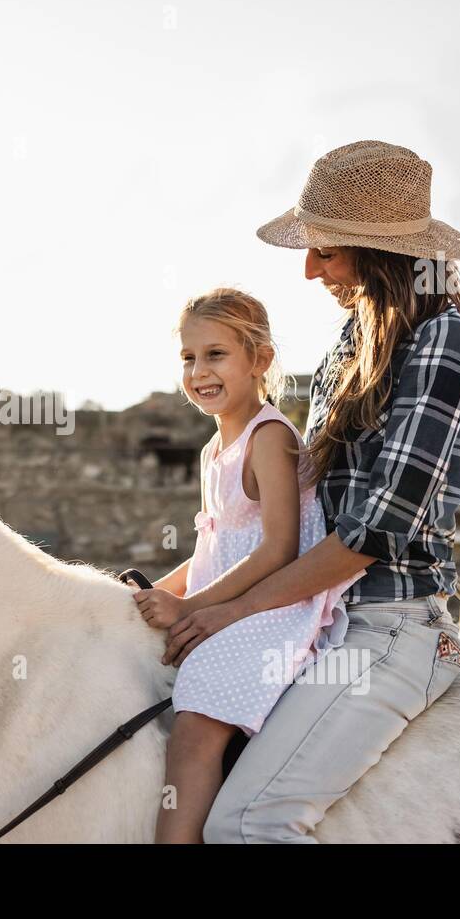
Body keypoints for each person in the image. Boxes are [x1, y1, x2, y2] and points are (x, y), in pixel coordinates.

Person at [162, 140, 460, 842]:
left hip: (389, 622)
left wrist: (233, 611)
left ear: (383, 254)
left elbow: (374, 531)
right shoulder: (349, 343)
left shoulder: (446, 341)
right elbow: (289, 522)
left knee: (248, 825)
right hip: (314, 616)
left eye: (327, 252)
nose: (310, 270)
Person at [135, 288, 361, 844]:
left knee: (196, 727)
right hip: (228, 599)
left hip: (276, 605)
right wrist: (144, 592)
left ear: (259, 360)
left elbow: (278, 550)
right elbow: (214, 547)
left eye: (216, 354)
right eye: (189, 358)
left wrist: (190, 607)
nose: (198, 371)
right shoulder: (214, 449)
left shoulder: (270, 437)